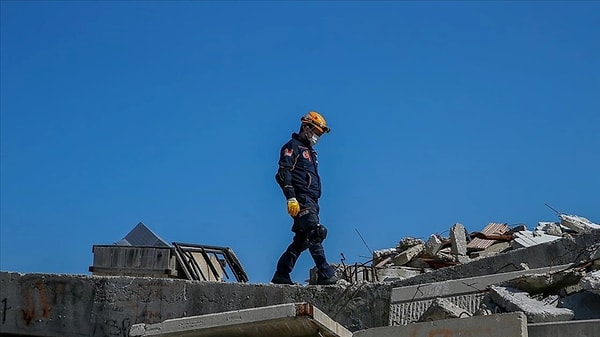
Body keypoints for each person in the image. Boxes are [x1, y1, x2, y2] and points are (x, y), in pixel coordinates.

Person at [271, 111, 338, 285]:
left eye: (320, 134)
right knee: (315, 233)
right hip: (301, 199)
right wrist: (291, 197)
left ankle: (282, 273)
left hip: (313, 201)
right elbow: (283, 172)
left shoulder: (311, 153)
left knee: (302, 241)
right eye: (316, 132)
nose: (317, 137)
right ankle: (326, 273)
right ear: (306, 128)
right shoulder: (292, 147)